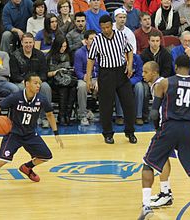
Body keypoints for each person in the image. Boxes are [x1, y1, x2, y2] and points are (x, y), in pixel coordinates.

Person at [138, 55, 190, 220]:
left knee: (148, 165)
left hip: (168, 127)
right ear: (189, 68)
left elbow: (154, 113)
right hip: (188, 128)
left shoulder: (165, 83)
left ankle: (146, 206)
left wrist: (158, 130)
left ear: (175, 66)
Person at [0, 73, 64, 197]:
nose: (38, 85)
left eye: (39, 83)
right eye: (35, 83)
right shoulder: (16, 97)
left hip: (30, 134)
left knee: (46, 156)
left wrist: (56, 133)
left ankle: (27, 167)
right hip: (13, 135)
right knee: (2, 160)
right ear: (27, 84)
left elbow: (50, 115)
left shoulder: (41, 99)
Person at [86, 15, 137, 144]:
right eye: (103, 28)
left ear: (112, 25)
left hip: (121, 72)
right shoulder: (97, 40)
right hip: (106, 73)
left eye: (108, 27)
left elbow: (129, 51)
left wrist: (130, 64)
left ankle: (130, 132)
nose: (106, 30)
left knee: (129, 103)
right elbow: (91, 60)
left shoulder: (120, 36)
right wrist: (88, 78)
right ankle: (108, 134)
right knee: (106, 106)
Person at [142, 61, 174, 208]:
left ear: (154, 72)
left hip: (166, 126)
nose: (143, 75)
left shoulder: (159, 85)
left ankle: (166, 194)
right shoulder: (159, 83)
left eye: (145, 72)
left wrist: (158, 127)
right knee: (165, 157)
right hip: (169, 125)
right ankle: (165, 192)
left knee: (156, 159)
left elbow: (156, 112)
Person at [10, 32, 52, 128]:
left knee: (46, 87)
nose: (28, 45)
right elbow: (14, 75)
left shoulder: (40, 55)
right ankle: (22, 119)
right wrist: (27, 83)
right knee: (20, 89)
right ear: (22, 43)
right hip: (22, 83)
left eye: (30, 42)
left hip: (37, 81)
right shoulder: (14, 55)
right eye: (26, 43)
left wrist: (37, 82)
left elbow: (44, 72)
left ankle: (44, 118)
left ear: (33, 43)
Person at [46, 35, 77, 126]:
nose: (63, 48)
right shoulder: (50, 56)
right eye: (61, 46)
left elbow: (72, 68)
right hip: (54, 80)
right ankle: (61, 115)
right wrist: (56, 72)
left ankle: (68, 115)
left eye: (65, 46)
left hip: (67, 79)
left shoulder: (69, 55)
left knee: (72, 88)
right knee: (63, 88)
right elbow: (46, 73)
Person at [74, 30, 98, 126]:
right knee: (82, 87)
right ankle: (83, 114)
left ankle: (104, 114)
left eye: (96, 39)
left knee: (107, 84)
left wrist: (99, 80)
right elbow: (78, 71)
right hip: (84, 77)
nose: (94, 41)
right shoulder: (79, 53)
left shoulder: (101, 51)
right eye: (92, 39)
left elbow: (103, 68)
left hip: (97, 77)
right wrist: (87, 79)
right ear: (86, 41)